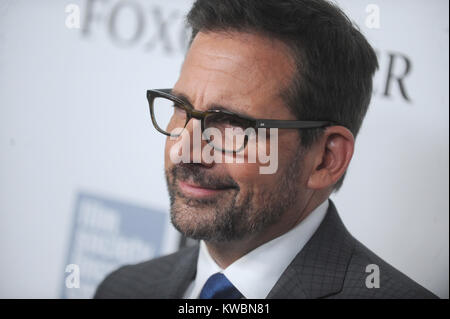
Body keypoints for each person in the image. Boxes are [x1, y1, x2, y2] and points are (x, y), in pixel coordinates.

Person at [94, 0, 437, 299]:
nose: (185, 149)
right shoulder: (123, 288)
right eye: (181, 108)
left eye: (231, 123)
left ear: (326, 159)